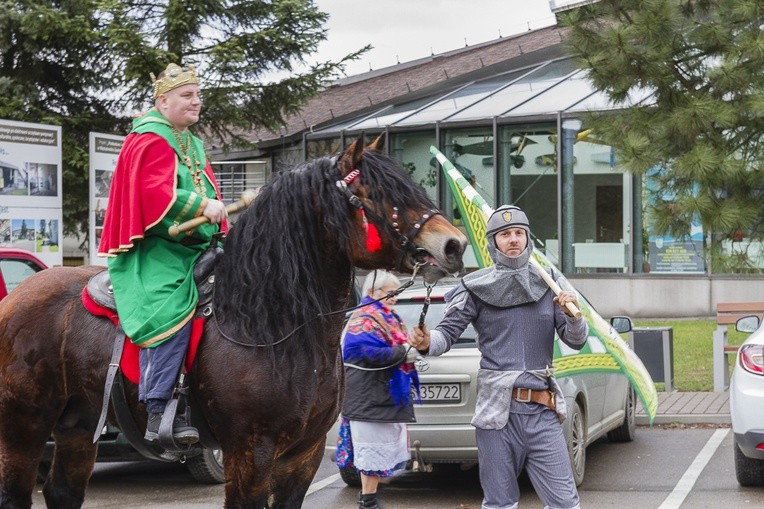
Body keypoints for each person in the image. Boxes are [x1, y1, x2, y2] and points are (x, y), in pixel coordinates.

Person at [410, 205, 588, 509]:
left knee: (565, 504)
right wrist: (427, 343)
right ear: (493, 242)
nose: (513, 239)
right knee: (499, 503)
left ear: (528, 239)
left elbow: (576, 340)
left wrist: (574, 316)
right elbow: (445, 336)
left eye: (519, 233)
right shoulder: (474, 287)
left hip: (542, 412)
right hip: (496, 416)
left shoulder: (550, 284)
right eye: (505, 234)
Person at [98, 63, 228, 445]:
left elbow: (209, 191)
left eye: (198, 95)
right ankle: (160, 409)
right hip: (154, 252)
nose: (196, 101)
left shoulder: (191, 141)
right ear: (163, 101)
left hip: (194, 246)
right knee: (172, 309)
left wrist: (219, 221)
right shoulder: (152, 138)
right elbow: (154, 195)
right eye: (187, 96)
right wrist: (203, 206)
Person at [337, 270, 420, 509]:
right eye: (390, 292)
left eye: (396, 291)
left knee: (379, 453)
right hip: (369, 396)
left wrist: (409, 350)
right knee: (371, 453)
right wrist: (403, 352)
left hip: (382, 395)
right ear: (372, 293)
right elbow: (362, 353)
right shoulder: (363, 319)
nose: (395, 296)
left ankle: (369, 499)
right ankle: (367, 501)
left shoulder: (387, 317)